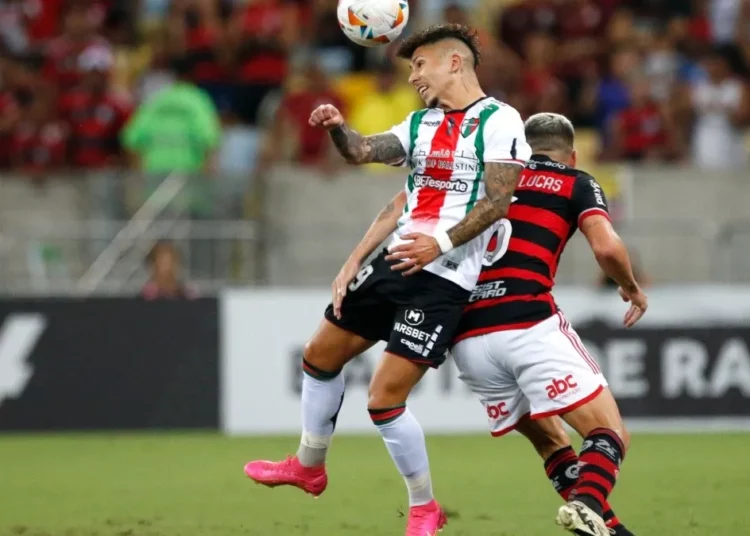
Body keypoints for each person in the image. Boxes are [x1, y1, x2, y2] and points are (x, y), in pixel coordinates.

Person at [244, 24, 531, 536]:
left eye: (420, 65)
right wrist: (336, 125)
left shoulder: (500, 119)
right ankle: (309, 466)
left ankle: (424, 506)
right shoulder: (419, 123)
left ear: (454, 64)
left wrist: (439, 244)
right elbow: (360, 151)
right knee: (319, 355)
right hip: (395, 261)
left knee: (383, 399)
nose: (414, 76)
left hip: (444, 277)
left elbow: (500, 200)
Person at [451, 112, 648, 536]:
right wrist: (630, 286)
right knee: (608, 432)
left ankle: (609, 528)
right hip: (526, 322)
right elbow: (606, 247)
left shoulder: (490, 179)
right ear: (572, 154)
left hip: (466, 337)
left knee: (554, 444)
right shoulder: (576, 181)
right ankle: (587, 503)